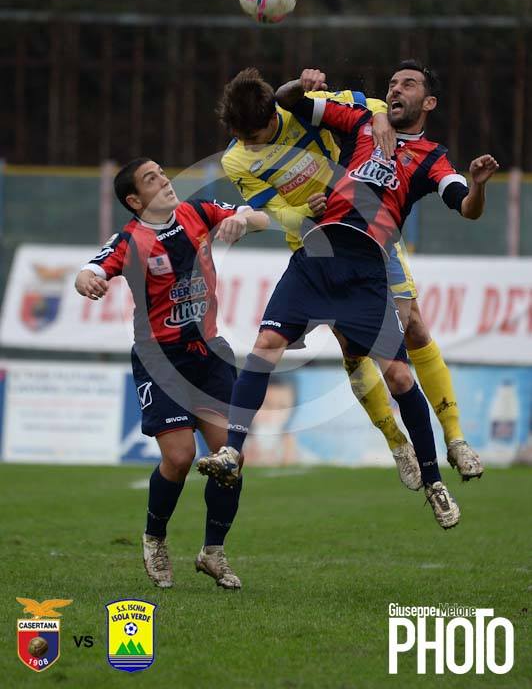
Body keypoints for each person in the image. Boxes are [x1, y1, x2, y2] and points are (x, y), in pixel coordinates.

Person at [199, 62, 499, 529]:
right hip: (314, 253)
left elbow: (464, 206)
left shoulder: (431, 157)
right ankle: (232, 453)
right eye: (393, 83)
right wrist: (307, 88)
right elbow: (293, 99)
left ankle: (440, 467)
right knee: (267, 351)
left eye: (408, 84)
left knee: (403, 364)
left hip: (367, 262)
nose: (395, 88)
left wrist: (477, 187)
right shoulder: (358, 122)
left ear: (428, 101)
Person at [219, 68, 421, 490]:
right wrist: (309, 211)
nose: (247, 145)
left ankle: (451, 439)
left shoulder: (304, 108)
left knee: (411, 328)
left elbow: (373, 107)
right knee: (350, 351)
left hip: (370, 231)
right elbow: (271, 211)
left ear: (273, 116)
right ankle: (396, 442)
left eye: (254, 136)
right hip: (315, 246)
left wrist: (380, 117)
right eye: (241, 137)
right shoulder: (236, 158)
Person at [75, 158, 269, 590]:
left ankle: (212, 552)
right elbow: (91, 268)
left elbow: (257, 214)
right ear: (134, 200)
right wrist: (86, 280)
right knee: (179, 457)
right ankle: (155, 537)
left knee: (230, 460)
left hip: (211, 354)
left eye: (161, 172)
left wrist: (243, 219)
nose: (164, 180)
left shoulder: (197, 211)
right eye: (151, 179)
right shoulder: (129, 241)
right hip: (160, 359)